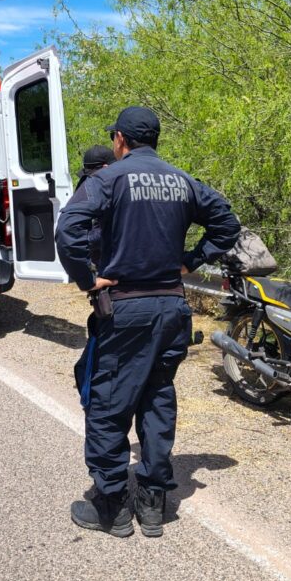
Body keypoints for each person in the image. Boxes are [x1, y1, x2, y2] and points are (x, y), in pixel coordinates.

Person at [55, 106, 240, 538]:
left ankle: (112, 508)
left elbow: (68, 229)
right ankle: (153, 504)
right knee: (158, 400)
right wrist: (191, 261)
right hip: (172, 309)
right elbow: (227, 223)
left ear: (120, 139)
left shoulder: (109, 178)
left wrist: (87, 278)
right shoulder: (183, 181)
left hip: (127, 310)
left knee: (109, 404)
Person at [70, 145, 116, 410]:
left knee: (94, 369)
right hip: (157, 296)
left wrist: (86, 278)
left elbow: (70, 234)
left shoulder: (102, 189)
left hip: (115, 293)